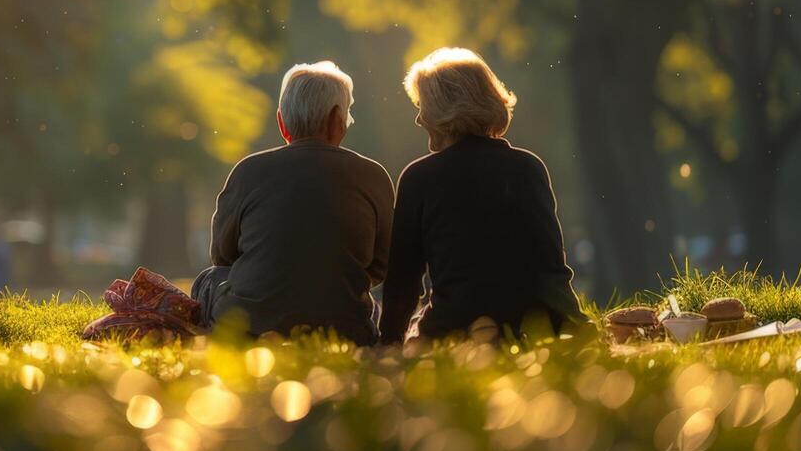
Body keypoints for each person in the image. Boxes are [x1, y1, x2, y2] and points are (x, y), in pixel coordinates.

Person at [380, 48, 581, 344]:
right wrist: (570, 324)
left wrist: (389, 341)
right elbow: (550, 267)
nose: (418, 119)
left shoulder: (419, 177)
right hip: (534, 329)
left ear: (443, 110)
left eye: (422, 105)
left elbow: (403, 282)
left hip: (455, 331)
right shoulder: (528, 168)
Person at [191, 61, 394, 343]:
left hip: (250, 328)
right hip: (344, 329)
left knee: (209, 279)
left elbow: (223, 256)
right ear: (337, 119)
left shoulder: (249, 171)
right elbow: (380, 266)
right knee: (362, 300)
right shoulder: (374, 176)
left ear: (281, 122)